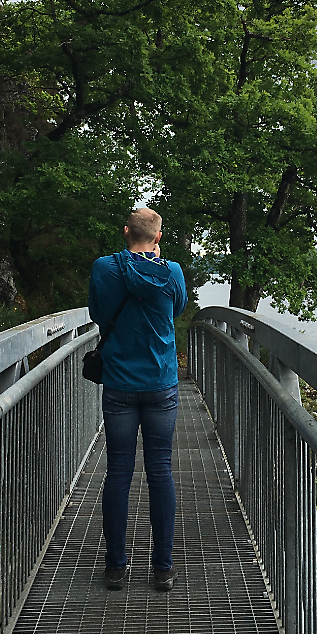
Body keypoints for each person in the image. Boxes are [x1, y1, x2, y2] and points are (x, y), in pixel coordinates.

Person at [88, 208, 188, 592]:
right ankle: (162, 568)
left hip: (119, 384)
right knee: (160, 471)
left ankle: (116, 568)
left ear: (126, 231)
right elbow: (176, 310)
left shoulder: (104, 267)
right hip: (161, 383)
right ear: (158, 237)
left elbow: (97, 313)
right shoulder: (171, 271)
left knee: (118, 472)